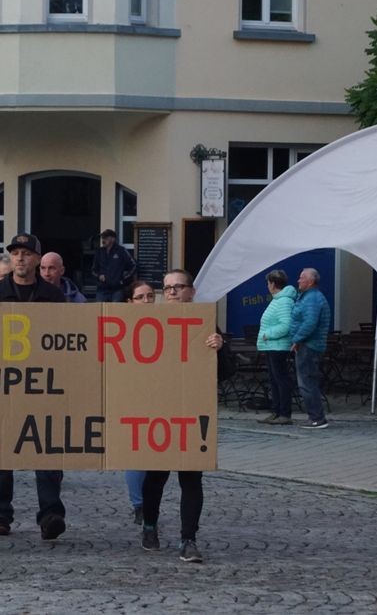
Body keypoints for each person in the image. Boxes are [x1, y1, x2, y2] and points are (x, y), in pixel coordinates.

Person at [0, 234, 68, 541]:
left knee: (47, 452)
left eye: (26, 253)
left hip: (43, 383)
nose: (19, 258)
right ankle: (0, 514)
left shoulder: (53, 296)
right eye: (15, 253)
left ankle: (51, 514)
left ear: (36, 259)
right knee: (1, 451)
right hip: (4, 383)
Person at [140, 268, 225, 563]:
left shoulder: (206, 325)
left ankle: (188, 538)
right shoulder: (149, 323)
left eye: (178, 287)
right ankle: (149, 526)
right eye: (168, 288)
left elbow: (226, 374)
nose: (173, 292)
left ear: (192, 292)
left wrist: (219, 350)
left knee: (191, 478)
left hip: (191, 412)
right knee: (155, 477)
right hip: (158, 411)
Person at [123, 280, 156, 524]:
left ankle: (149, 503)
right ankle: (139, 505)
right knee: (135, 453)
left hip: (159, 395)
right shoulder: (121, 326)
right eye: (140, 297)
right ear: (129, 302)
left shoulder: (166, 322)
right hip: (131, 395)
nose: (146, 301)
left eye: (150, 296)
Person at [289, 267, 332, 429]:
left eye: (302, 278)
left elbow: (310, 322)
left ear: (311, 281)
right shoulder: (309, 297)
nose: (298, 280)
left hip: (308, 345)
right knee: (308, 381)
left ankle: (317, 418)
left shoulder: (312, 299)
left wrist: (297, 339)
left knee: (307, 383)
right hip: (309, 344)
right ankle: (316, 417)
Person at [257, 270, 298, 426]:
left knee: (281, 379)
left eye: (268, 283)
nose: (267, 286)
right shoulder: (277, 300)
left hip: (278, 346)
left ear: (273, 284)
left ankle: (284, 413)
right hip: (272, 346)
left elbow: (286, 325)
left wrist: (268, 334)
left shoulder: (284, 301)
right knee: (274, 380)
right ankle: (276, 411)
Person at [91, 229, 136, 302]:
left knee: (116, 311)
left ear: (113, 239)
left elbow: (134, 266)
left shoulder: (121, 251)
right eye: (102, 238)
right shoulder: (99, 252)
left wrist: (123, 279)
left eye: (105, 238)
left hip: (117, 290)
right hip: (102, 289)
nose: (103, 240)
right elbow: (93, 270)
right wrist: (99, 276)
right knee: (100, 311)